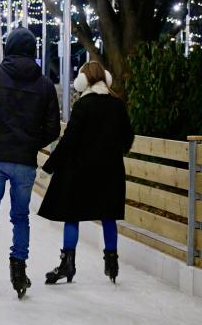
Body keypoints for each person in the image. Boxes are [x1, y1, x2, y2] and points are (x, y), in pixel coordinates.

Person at [0, 27, 61, 300]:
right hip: (23, 161)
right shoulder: (44, 84)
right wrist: (31, 142)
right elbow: (53, 128)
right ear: (33, 50)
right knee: (20, 217)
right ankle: (19, 271)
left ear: (7, 48)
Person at [38, 61, 135, 285]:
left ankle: (67, 264)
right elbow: (128, 138)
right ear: (106, 78)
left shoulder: (83, 105)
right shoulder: (117, 105)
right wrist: (112, 151)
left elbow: (69, 140)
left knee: (72, 216)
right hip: (110, 172)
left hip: (80, 172)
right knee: (108, 216)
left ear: (83, 81)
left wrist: (49, 166)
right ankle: (112, 263)